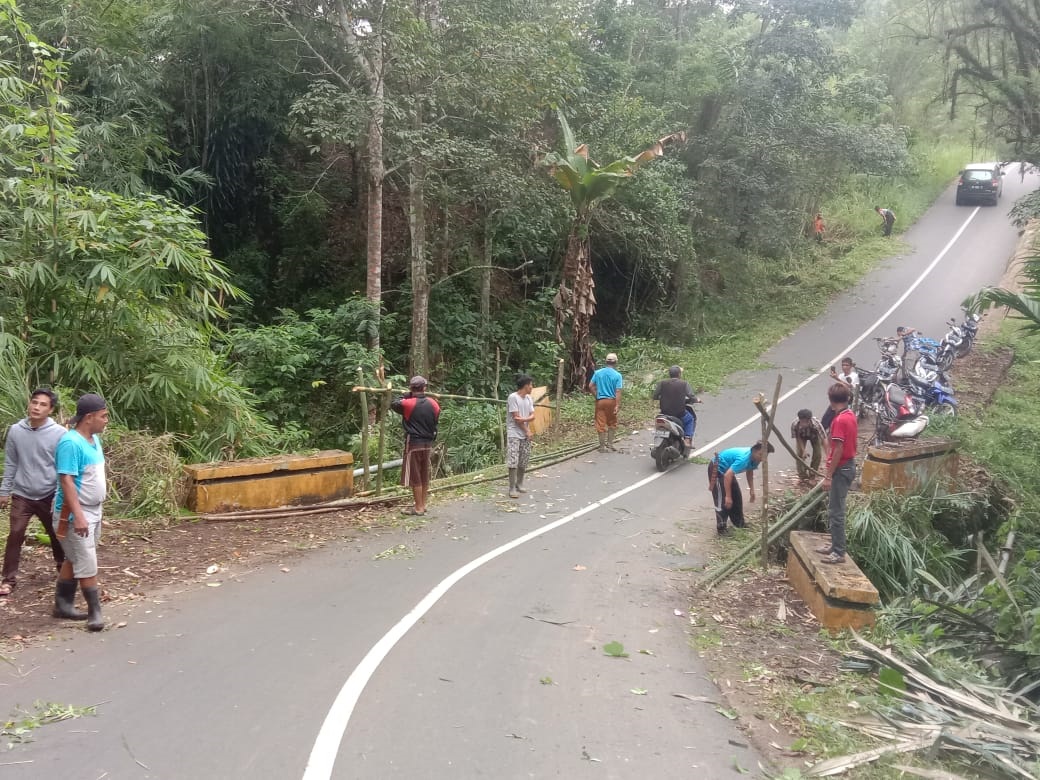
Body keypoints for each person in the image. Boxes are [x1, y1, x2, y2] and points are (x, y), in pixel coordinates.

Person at [52, 393, 110, 630]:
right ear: (89, 417)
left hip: (94, 510)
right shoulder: (70, 442)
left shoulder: (95, 440)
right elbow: (66, 480)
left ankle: (62, 604)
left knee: (76, 557)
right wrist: (78, 516)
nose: (106, 420)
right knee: (86, 560)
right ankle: (94, 612)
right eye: (103, 416)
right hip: (77, 512)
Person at [0, 389, 66, 597]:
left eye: (43, 404)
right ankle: (8, 580)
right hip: (22, 493)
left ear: (51, 409)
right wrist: (4, 491)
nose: (37, 407)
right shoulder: (16, 431)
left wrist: (59, 494)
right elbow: (11, 463)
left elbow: (61, 467)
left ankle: (63, 572)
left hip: (48, 493)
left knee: (56, 535)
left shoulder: (59, 434)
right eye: (34, 402)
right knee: (16, 534)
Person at [818, 383, 858, 565]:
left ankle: (839, 552)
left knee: (836, 512)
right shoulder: (849, 415)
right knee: (834, 509)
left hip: (841, 469)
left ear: (831, 400)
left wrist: (828, 475)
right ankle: (834, 545)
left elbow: (839, 449)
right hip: (847, 466)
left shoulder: (840, 421)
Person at [390, 376, 441, 516]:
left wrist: (405, 395)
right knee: (424, 474)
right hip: (428, 444)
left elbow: (394, 403)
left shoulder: (408, 404)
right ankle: (422, 505)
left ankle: (418, 507)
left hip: (413, 444)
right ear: (424, 388)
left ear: (411, 388)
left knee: (415, 476)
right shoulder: (434, 403)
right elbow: (435, 419)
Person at [707, 441, 775, 534]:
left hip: (728, 471)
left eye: (765, 456)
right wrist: (728, 496)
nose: (763, 458)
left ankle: (739, 524)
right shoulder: (744, 459)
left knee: (737, 496)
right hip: (718, 469)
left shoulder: (756, 459)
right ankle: (721, 528)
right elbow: (727, 476)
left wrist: (752, 489)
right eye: (761, 455)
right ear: (754, 451)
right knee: (723, 500)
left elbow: (750, 470)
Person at [506, 374, 536, 499]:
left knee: (524, 459)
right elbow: (515, 418)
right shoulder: (513, 397)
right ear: (525, 386)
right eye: (530, 385)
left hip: (525, 433)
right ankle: (512, 487)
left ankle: (520, 483)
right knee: (513, 460)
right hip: (514, 433)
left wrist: (524, 420)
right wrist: (527, 430)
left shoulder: (529, 398)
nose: (532, 387)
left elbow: (532, 416)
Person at [652, 365, 696, 448]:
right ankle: (687, 439)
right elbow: (691, 396)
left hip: (664, 412)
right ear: (679, 374)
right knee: (690, 419)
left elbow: (655, 396)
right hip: (679, 413)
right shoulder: (684, 383)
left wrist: (661, 397)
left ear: (670, 374)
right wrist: (696, 400)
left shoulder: (662, 383)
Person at [589, 353, 623, 452]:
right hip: (611, 401)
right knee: (612, 423)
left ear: (606, 362)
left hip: (600, 401)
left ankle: (602, 447)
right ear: (615, 362)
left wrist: (597, 396)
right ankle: (610, 444)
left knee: (600, 423)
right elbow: (618, 391)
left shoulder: (598, 373)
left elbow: (590, 386)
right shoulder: (617, 375)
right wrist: (617, 405)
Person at [790, 409, 826, 481]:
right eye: (802, 422)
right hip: (802, 436)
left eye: (806, 422)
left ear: (810, 420)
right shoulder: (795, 425)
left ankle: (813, 473)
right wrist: (803, 450)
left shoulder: (816, 424)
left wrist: (828, 454)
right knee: (799, 454)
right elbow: (798, 438)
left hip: (814, 436)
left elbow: (824, 439)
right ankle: (802, 476)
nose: (804, 424)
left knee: (818, 454)